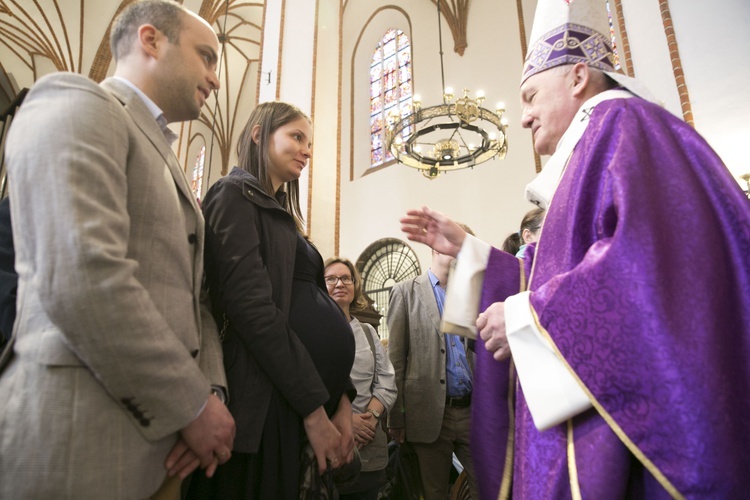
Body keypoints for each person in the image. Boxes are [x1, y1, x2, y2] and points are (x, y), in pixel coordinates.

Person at [399, 0, 750, 497]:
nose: (523, 118)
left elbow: (649, 273)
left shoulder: (626, 128)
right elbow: (557, 270)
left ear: (579, 76)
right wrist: (472, 254)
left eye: (530, 96)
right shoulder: (596, 145)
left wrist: (524, 318)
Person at [0, 1, 236, 498]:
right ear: (151, 40)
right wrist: (190, 403)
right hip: (80, 436)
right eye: (207, 57)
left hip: (160, 445)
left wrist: (210, 394)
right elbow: (82, 274)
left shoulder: (162, 151)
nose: (216, 79)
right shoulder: (76, 100)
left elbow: (196, 303)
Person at [187, 101, 355, 500]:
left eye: (310, 142)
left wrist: (342, 400)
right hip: (264, 402)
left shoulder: (280, 214)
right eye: (296, 137)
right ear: (259, 134)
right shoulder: (232, 195)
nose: (307, 150)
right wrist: (315, 410)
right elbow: (252, 309)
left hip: (297, 399)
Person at [386, 226, 479, 500]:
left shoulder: (472, 293)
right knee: (434, 493)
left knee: (491, 486)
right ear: (436, 247)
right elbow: (396, 361)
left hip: (471, 411)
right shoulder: (405, 292)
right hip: (428, 412)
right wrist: (396, 417)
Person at [324, 257, 397, 499]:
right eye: (331, 279)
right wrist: (347, 420)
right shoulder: (315, 330)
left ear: (355, 286)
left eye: (346, 278)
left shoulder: (367, 332)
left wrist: (371, 417)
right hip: (329, 438)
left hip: (368, 441)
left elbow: (386, 380)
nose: (339, 284)